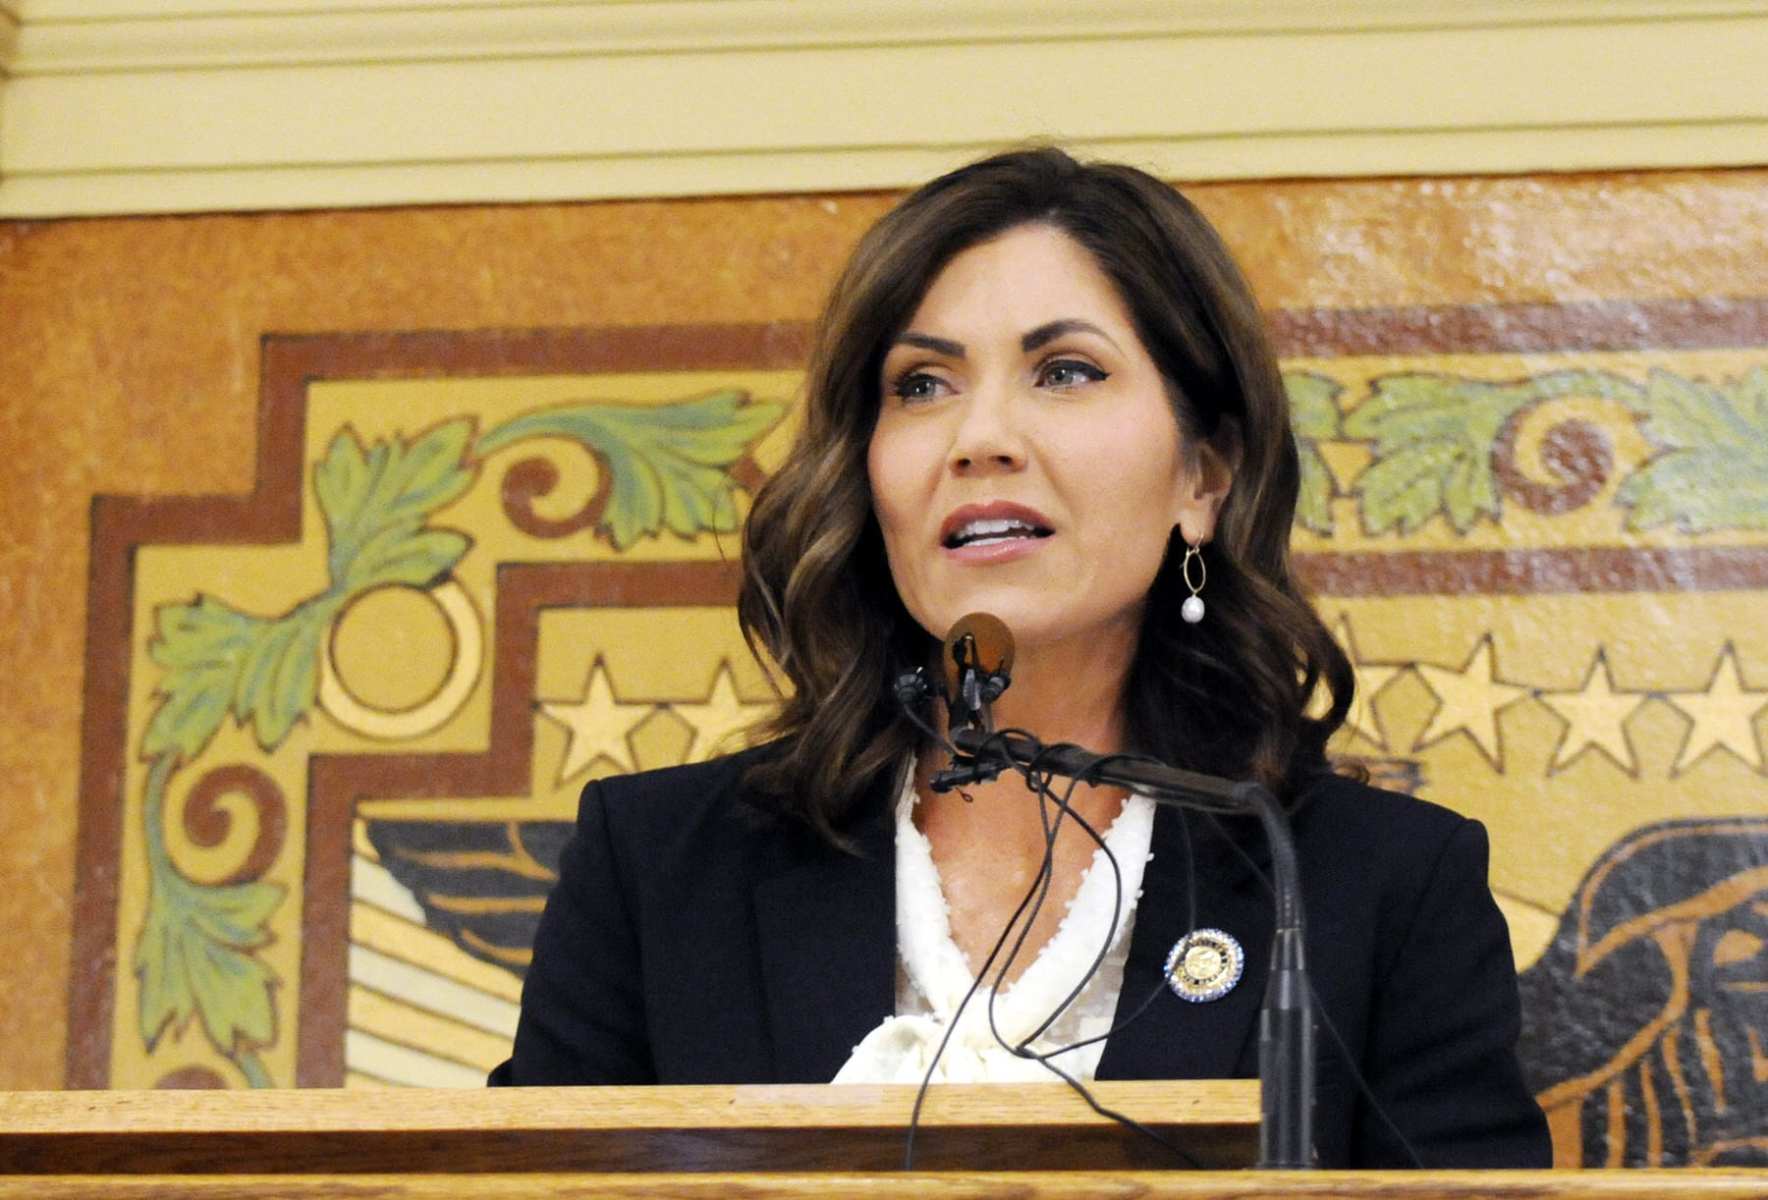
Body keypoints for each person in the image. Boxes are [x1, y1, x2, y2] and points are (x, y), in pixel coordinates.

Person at [489, 147, 1551, 1169]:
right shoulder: (658, 868)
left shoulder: (1376, 887)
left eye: (1064, 371)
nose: (978, 436)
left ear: (1204, 477)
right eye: (919, 385)